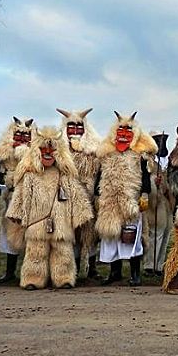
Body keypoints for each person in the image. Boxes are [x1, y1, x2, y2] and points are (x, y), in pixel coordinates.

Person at [6, 127, 94, 289]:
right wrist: (16, 212)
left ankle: (64, 278)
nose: (47, 153)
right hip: (36, 223)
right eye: (43, 149)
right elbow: (20, 194)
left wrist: (83, 214)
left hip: (61, 223)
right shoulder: (30, 175)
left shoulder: (66, 176)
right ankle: (33, 279)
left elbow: (77, 195)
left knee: (63, 252)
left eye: (51, 150)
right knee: (35, 252)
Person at [95, 111, 157, 287]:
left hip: (131, 201)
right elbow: (100, 176)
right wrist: (97, 195)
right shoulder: (107, 154)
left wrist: (144, 194)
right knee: (111, 236)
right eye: (120, 130)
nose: (123, 134)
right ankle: (114, 272)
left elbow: (145, 175)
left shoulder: (139, 155)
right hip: (109, 201)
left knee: (131, 237)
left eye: (127, 131)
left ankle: (135, 274)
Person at [57, 108, 101, 280]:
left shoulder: (93, 150)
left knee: (90, 234)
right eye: (71, 127)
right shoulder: (60, 150)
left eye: (79, 128)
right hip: (67, 198)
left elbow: (100, 172)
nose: (75, 131)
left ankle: (92, 268)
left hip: (89, 196)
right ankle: (72, 267)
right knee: (71, 234)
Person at [0, 116, 35, 284]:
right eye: (19, 136)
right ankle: (10, 272)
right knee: (11, 233)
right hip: (12, 197)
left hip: (31, 198)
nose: (22, 139)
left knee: (31, 235)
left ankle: (31, 271)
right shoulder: (7, 158)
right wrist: (5, 172)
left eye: (26, 136)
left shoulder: (34, 155)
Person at [144, 132, 174, 276]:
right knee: (155, 233)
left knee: (166, 233)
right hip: (154, 202)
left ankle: (159, 264)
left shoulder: (165, 162)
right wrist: (154, 183)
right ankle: (150, 264)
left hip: (166, 202)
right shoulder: (149, 162)